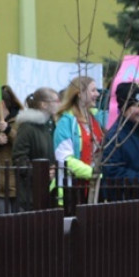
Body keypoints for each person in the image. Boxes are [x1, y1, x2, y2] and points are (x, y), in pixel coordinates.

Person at [101, 81, 139, 198]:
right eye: (138, 105)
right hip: (128, 202)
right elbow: (113, 172)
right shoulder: (114, 137)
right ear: (124, 108)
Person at [54, 76, 104, 204]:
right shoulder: (65, 123)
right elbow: (64, 159)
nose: (97, 94)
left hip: (95, 190)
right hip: (72, 191)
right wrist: (93, 173)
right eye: (93, 90)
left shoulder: (97, 118)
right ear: (80, 94)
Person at [13, 87, 58, 212]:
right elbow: (19, 159)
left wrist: (53, 168)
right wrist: (41, 172)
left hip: (45, 191)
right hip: (30, 194)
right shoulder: (27, 127)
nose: (58, 104)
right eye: (55, 101)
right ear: (44, 104)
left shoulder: (47, 126)